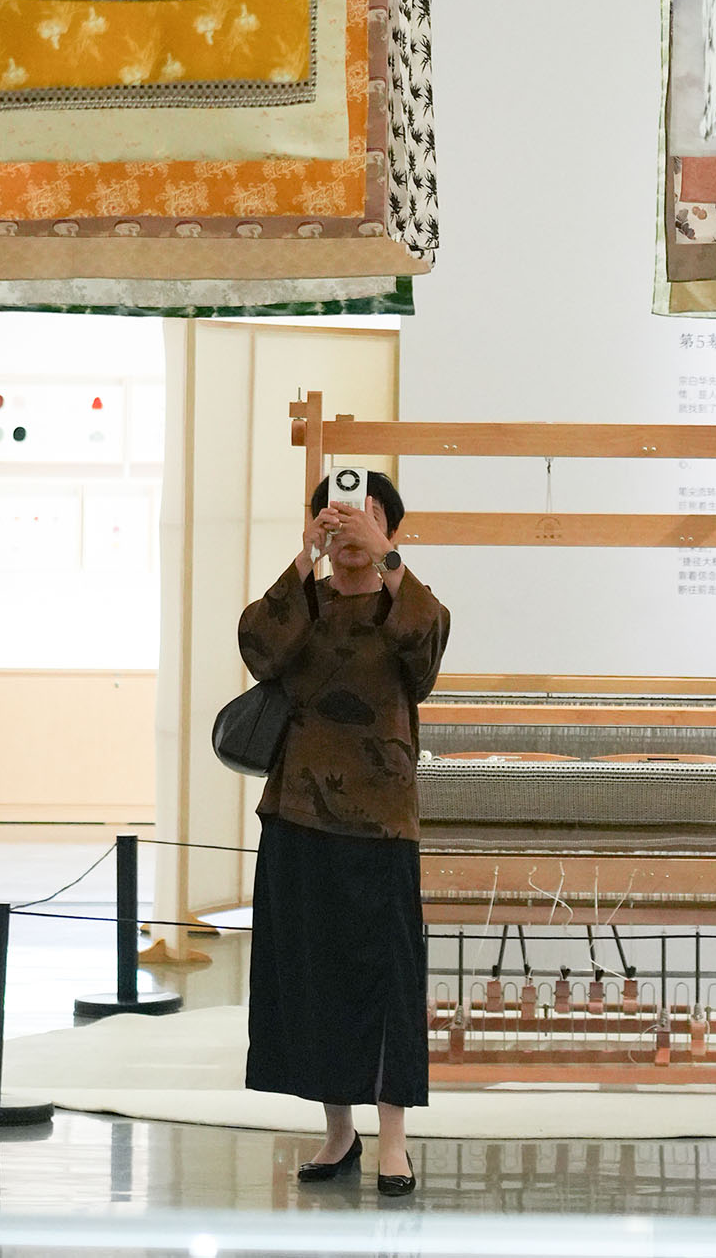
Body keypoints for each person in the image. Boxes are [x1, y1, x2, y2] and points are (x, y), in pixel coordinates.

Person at [237, 471, 451, 1196]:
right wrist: (305, 556)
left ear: (390, 528)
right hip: (298, 810)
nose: (352, 527)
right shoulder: (306, 599)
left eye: (368, 515)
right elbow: (258, 647)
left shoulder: (406, 603)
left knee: (387, 980)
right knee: (314, 976)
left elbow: (425, 654)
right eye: (338, 514)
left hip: (382, 819)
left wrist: (385, 560)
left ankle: (393, 1141)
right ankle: (338, 1131)